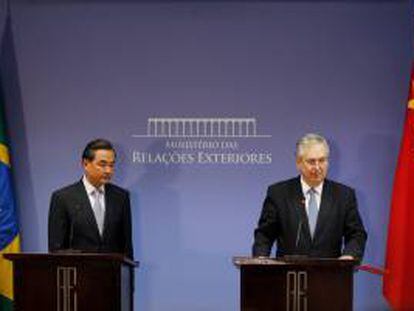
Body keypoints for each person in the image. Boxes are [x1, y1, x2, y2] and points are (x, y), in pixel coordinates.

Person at [252, 133, 367, 261]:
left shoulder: (344, 195)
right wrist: (260, 260)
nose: (317, 167)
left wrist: (349, 256)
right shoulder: (279, 193)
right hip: (289, 276)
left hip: (330, 276)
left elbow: (356, 234)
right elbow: (264, 234)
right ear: (298, 163)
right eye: (311, 161)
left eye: (322, 160)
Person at [48, 139, 133, 259]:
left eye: (111, 165)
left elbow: (127, 249)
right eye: (102, 164)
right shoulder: (63, 198)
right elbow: (56, 250)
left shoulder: (121, 197)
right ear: (85, 164)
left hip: (112, 274)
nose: (108, 170)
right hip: (77, 274)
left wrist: (129, 277)